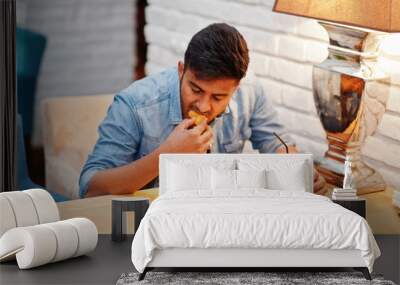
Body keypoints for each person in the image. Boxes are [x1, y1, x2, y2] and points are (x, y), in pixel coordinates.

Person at [79, 23, 326, 198]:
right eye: (195, 90)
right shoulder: (135, 104)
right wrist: (167, 154)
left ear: (236, 87)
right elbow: (91, 187)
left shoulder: (251, 93)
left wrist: (299, 168)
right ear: (180, 71)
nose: (205, 106)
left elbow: (278, 146)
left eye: (219, 97)